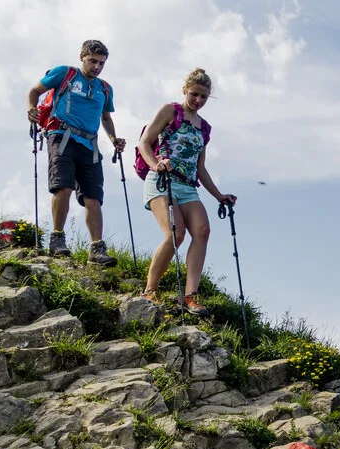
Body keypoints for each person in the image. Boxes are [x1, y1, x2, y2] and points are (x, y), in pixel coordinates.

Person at [136, 68, 236, 316]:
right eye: (194, 94)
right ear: (185, 90)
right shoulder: (171, 111)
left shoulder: (204, 128)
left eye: (204, 97)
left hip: (188, 186)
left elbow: (200, 168)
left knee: (203, 231)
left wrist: (218, 195)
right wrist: (155, 164)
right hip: (162, 181)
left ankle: (191, 296)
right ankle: (150, 290)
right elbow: (144, 142)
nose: (198, 101)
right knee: (176, 233)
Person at [26, 39, 124, 265]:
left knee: (93, 197)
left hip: (90, 144)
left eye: (101, 63)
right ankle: (57, 239)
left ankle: (96, 250)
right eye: (92, 61)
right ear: (82, 57)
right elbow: (35, 91)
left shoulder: (105, 89)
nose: (97, 67)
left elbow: (106, 117)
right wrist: (31, 108)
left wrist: (114, 139)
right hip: (61, 135)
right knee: (63, 186)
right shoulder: (64, 73)